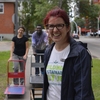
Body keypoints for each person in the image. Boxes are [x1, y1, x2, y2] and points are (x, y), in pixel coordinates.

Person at [42, 7, 95, 100]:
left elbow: (82, 93)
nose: (55, 30)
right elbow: (48, 85)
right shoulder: (48, 51)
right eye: (51, 26)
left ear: (68, 28)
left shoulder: (80, 53)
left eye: (59, 25)